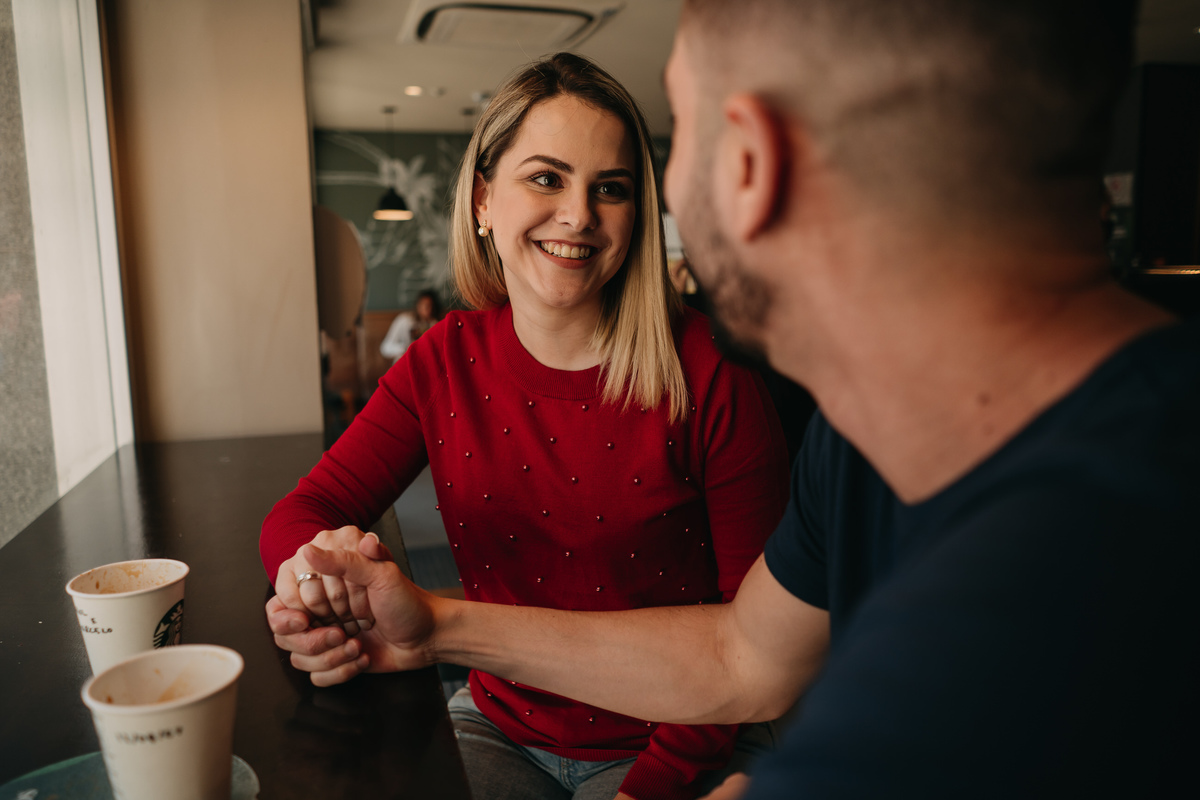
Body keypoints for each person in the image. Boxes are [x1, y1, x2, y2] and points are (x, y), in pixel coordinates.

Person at [270, 1, 1200, 797]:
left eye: (679, 127)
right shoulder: (860, 432)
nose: (591, 215)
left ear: (748, 163)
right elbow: (742, 661)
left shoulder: (978, 656)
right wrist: (436, 626)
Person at [261, 52, 790, 800]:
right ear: (483, 201)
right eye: (546, 178)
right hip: (498, 721)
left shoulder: (711, 371)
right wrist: (308, 584)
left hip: (678, 738)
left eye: (609, 189)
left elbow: (755, 645)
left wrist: (650, 787)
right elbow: (299, 514)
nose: (578, 215)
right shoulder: (441, 360)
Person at [380, 288, 442, 361]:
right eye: (422, 304)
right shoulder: (403, 321)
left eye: (428, 306)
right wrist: (404, 349)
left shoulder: (435, 325)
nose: (424, 309)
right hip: (403, 365)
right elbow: (385, 348)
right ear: (417, 305)